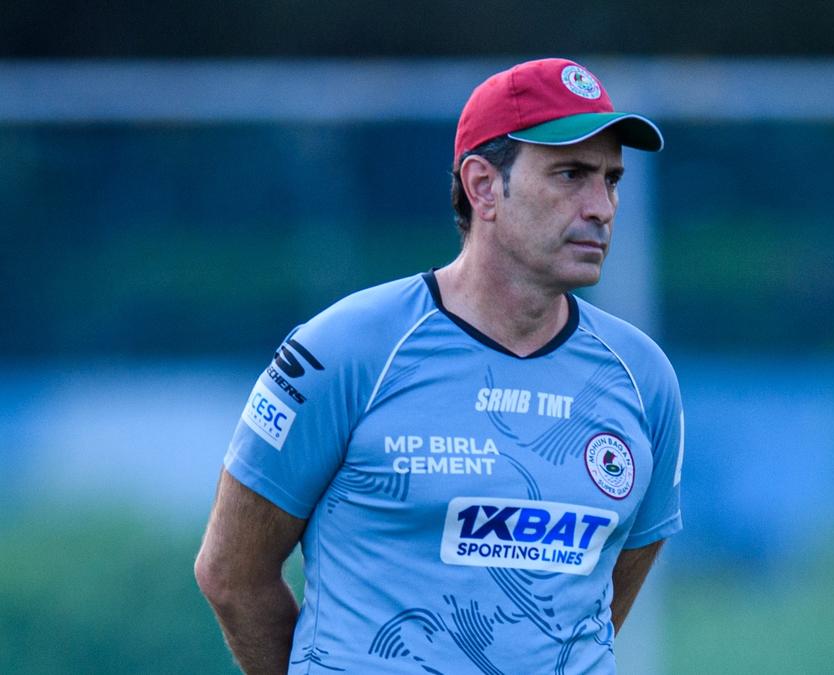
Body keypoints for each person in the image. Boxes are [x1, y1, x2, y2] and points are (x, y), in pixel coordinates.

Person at [194, 57, 685, 674]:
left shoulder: (643, 379)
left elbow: (599, 603)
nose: (602, 207)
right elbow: (232, 575)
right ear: (483, 186)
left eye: (611, 180)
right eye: (570, 174)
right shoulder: (346, 350)